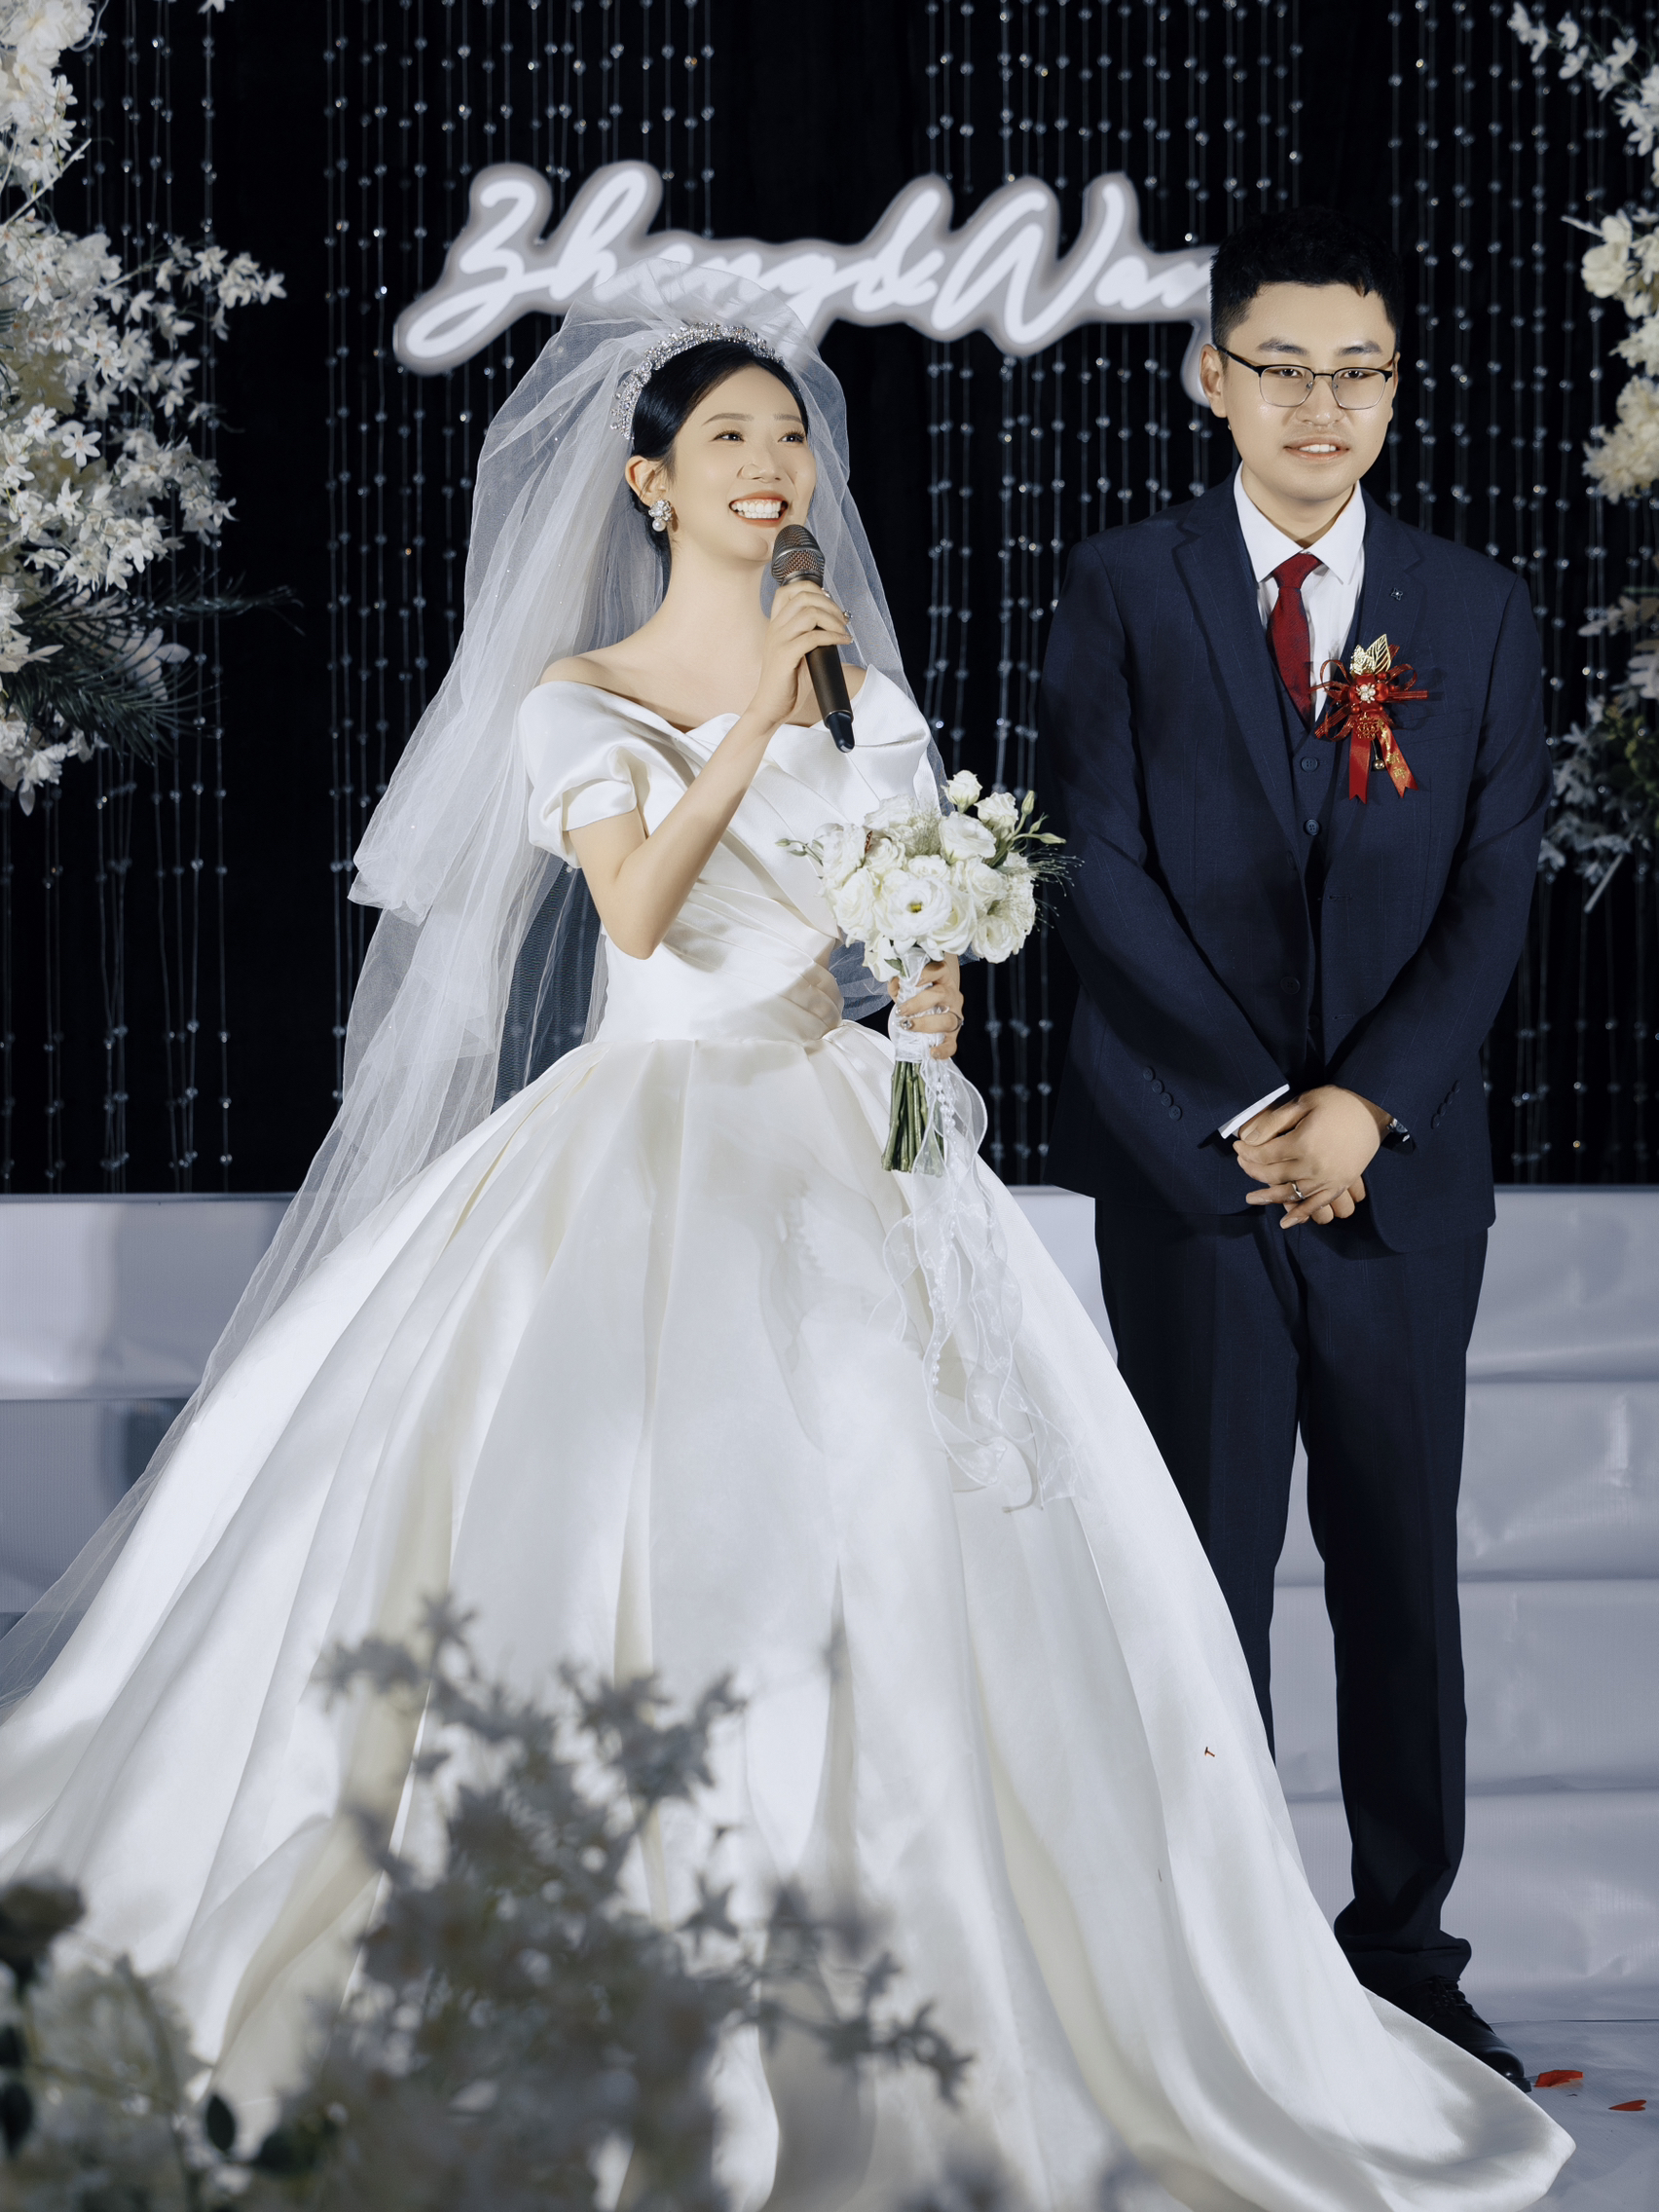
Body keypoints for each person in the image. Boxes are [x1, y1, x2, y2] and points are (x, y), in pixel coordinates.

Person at [0, 270, 1569, 2211]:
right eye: (729, 437)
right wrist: (755, 711)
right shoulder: (577, 697)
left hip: (851, 1137)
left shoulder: (865, 696)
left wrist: (932, 988)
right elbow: (641, 912)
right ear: (650, 482)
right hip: (652, 1132)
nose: (770, 464)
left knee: (924, 1539)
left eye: (790, 435)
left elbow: (905, 931)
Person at [1042, 207, 1548, 2093]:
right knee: (1207, 1580)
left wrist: (1367, 1104)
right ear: (1212, 375)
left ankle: (1405, 1954)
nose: (1322, 404)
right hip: (1195, 1165)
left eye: (1360, 371)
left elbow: (1491, 888)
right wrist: (1256, 1103)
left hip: (1401, 1177)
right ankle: (1221, 1960)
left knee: (1402, 1574)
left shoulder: (1475, 606)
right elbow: (1096, 861)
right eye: (1284, 366)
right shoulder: (1124, 583)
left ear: (1395, 389)